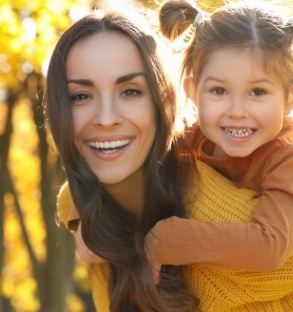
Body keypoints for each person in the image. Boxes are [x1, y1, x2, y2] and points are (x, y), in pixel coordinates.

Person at [44, 3, 201, 311]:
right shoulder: (88, 206)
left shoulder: (224, 216)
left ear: (164, 99)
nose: (106, 118)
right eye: (81, 96)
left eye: (130, 91)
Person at [143, 0, 293, 310]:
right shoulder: (188, 139)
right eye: (219, 91)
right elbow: (127, 163)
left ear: (289, 99)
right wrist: (85, 216)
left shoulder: (286, 157)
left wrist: (170, 239)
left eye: (258, 92)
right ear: (193, 92)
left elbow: (270, 247)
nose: (237, 112)